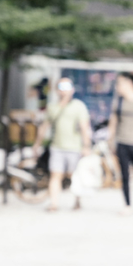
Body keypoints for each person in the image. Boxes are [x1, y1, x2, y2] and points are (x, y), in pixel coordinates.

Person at [32, 77, 92, 212]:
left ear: (72, 90)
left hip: (74, 147)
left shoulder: (78, 106)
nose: (64, 91)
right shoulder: (52, 107)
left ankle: (77, 201)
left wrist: (86, 146)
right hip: (56, 147)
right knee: (55, 175)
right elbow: (44, 127)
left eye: (67, 87)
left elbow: (84, 127)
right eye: (61, 88)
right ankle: (54, 203)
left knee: (74, 176)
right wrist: (37, 144)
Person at [107, 72, 133, 212]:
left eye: (119, 83)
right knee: (124, 176)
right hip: (122, 142)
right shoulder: (119, 101)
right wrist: (110, 141)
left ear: (128, 83)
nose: (117, 87)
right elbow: (113, 122)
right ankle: (127, 205)